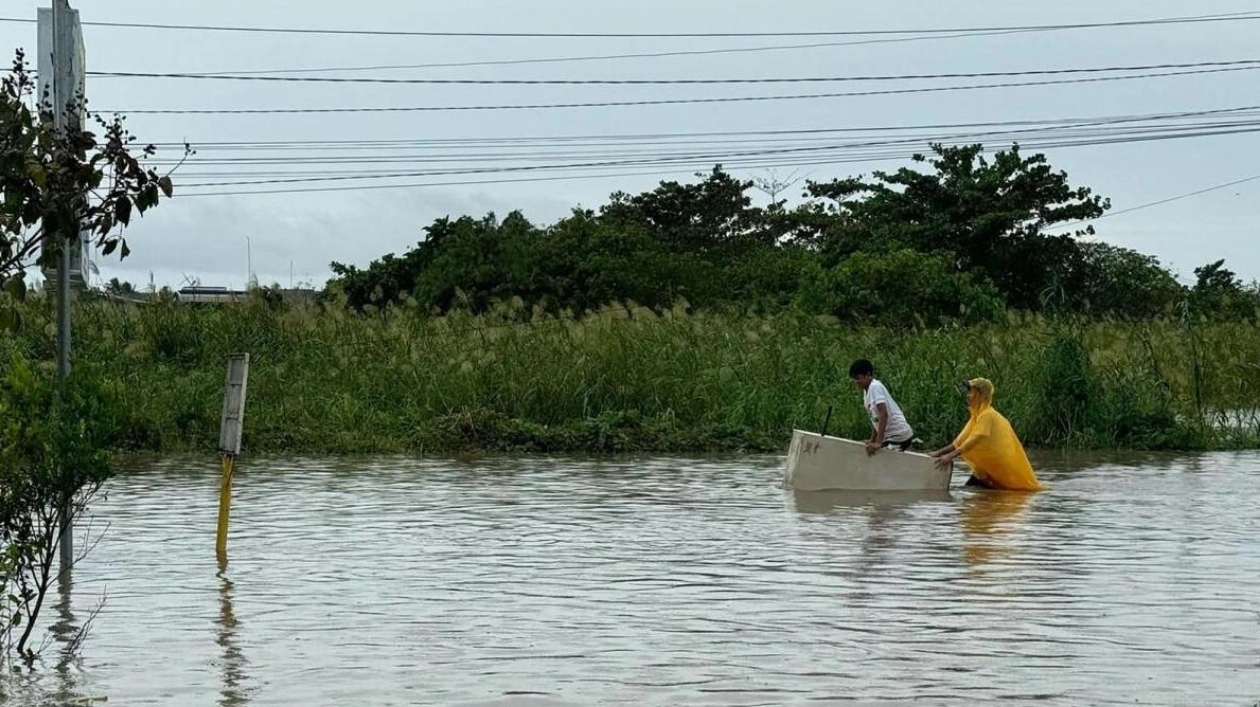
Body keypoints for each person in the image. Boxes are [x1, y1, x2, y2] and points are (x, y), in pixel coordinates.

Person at [929, 378, 1043, 491]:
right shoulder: (977, 415)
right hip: (985, 471)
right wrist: (937, 453)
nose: (968, 395)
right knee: (969, 492)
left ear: (981, 395)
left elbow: (974, 439)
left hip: (999, 472)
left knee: (976, 494)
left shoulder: (988, 415)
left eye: (971, 392)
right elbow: (958, 442)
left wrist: (950, 456)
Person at [848, 359, 915, 455]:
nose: (856, 382)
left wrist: (878, 442)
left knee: (880, 460)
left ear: (867, 375)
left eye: (858, 378)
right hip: (889, 437)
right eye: (854, 379)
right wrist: (873, 440)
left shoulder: (875, 387)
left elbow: (883, 414)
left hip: (898, 436)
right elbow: (875, 419)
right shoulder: (866, 391)